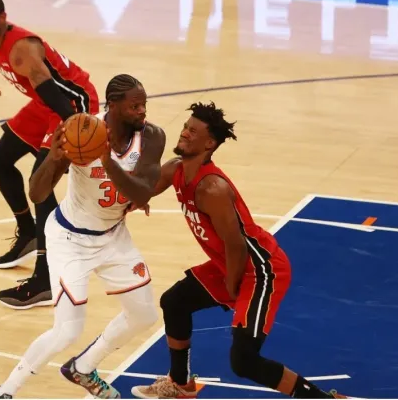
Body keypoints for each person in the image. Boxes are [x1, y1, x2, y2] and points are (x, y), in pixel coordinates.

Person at [129, 102, 346, 399]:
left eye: (193, 131)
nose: (184, 133)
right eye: (185, 127)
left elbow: (235, 244)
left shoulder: (212, 188)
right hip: (229, 263)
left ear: (209, 143)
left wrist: (233, 287)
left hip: (260, 269)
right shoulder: (175, 170)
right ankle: (180, 383)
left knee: (244, 361)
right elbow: (140, 190)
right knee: (175, 302)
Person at [0, 74, 166, 399]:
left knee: (145, 315)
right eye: (135, 106)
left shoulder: (151, 137)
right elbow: (37, 192)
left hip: (114, 237)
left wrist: (106, 161)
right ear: (112, 107)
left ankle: (83, 367)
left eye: (144, 104)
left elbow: (142, 195)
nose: (142, 112)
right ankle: (4, 391)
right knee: (67, 330)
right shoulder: (79, 132)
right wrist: (55, 158)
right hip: (71, 240)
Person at [0, 0, 100, 309]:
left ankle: (45, 277)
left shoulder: (22, 50)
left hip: (70, 104)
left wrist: (75, 126)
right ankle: (28, 233)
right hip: (45, 104)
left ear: (3, 18)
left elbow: (46, 85)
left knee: (40, 186)